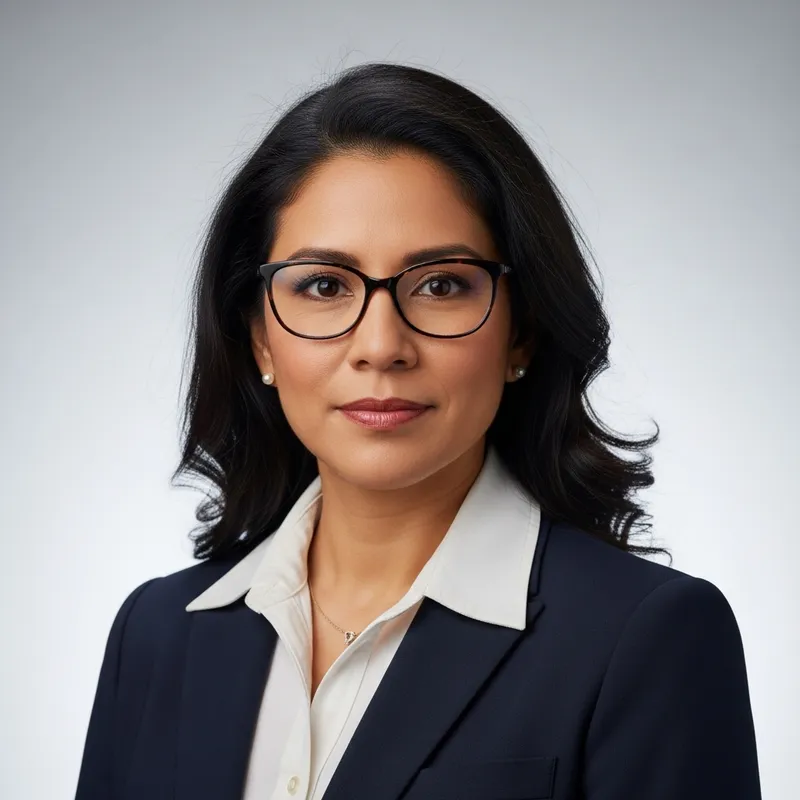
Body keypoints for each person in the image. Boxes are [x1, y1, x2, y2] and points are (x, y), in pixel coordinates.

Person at [74, 62, 762, 800]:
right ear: (261, 341)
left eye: (440, 285)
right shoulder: (157, 635)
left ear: (521, 333)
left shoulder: (648, 638)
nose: (381, 345)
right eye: (323, 285)